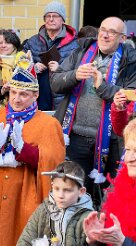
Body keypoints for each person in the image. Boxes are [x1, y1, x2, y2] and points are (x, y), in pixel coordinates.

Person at [0, 51, 65, 246]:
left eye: (24, 94)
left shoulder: (49, 124)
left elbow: (52, 165)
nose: (17, 99)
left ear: (35, 95)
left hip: (26, 195)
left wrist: (23, 149)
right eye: (13, 93)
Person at [50, 17, 136, 207]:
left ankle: (102, 236)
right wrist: (74, 75)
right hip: (76, 138)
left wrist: (102, 87)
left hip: (113, 143)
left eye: (111, 32)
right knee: (73, 194)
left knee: (111, 199)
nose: (105, 35)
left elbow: (131, 97)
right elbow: (55, 83)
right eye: (102, 30)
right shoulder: (81, 51)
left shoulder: (131, 61)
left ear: (122, 38)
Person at [83, 118, 136, 246]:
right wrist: (94, 239)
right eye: (128, 150)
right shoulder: (117, 186)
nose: (129, 159)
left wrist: (124, 243)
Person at [17, 161, 94, 246]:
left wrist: (91, 242)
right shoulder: (43, 210)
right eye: (56, 189)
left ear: (81, 191)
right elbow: (25, 239)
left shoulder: (88, 217)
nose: (60, 195)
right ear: (52, 185)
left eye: (67, 190)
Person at [23, 1, 79, 110]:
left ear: (63, 19)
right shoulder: (32, 42)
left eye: (55, 16)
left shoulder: (75, 44)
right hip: (36, 100)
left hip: (62, 101)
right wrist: (33, 68)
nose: (51, 19)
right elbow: (20, 67)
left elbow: (78, 72)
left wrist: (60, 69)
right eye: (48, 16)